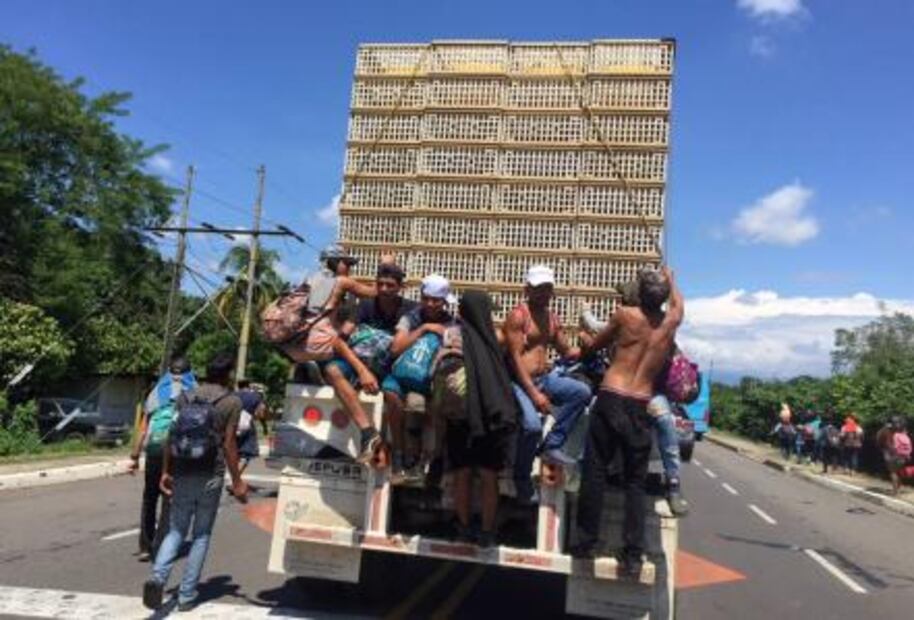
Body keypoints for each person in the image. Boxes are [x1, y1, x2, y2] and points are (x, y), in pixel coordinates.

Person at [571, 266, 683, 577]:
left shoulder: (624, 316)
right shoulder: (670, 323)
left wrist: (583, 338)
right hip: (640, 405)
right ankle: (633, 553)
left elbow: (592, 347)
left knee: (594, 473)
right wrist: (671, 278)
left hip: (611, 396)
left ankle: (586, 543)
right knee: (635, 481)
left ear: (639, 294)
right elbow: (678, 306)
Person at [142, 352, 248, 612]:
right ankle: (187, 595)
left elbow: (171, 435)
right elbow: (229, 444)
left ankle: (158, 577)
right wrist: (237, 481)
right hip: (210, 472)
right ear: (228, 375)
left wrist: (167, 470)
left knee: (176, 529)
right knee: (201, 534)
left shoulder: (185, 396)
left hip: (182, 469)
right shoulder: (231, 402)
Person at [579, 285, 688, 517]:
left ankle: (673, 482)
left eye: (623, 298)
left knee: (662, 420)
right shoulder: (663, 322)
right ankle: (610, 471)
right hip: (632, 393)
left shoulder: (634, 320)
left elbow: (596, 330)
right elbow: (678, 308)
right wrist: (671, 280)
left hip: (644, 391)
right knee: (660, 424)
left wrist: (586, 313)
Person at [292, 245, 394, 463]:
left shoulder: (309, 280)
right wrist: (386, 266)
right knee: (341, 347)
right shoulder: (341, 282)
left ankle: (315, 371)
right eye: (347, 264)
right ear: (335, 262)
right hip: (325, 343)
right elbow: (379, 291)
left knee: (334, 351)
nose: (349, 269)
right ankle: (368, 433)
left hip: (300, 345)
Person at [435, 290, 518, 547]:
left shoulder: (452, 335)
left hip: (459, 416)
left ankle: (462, 527)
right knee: (488, 475)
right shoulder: (494, 338)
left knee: (462, 473)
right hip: (487, 418)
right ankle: (486, 530)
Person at [505, 265, 589, 504]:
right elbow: (515, 360)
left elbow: (565, 350)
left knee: (581, 392)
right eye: (539, 288)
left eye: (547, 289)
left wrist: (590, 346)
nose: (543, 293)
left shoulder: (551, 318)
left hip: (545, 378)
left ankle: (552, 443)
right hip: (521, 382)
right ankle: (521, 478)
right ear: (527, 289)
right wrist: (534, 394)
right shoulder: (518, 316)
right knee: (531, 426)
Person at [385, 274, 456, 480]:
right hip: (400, 377)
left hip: (428, 382)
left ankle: (425, 460)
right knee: (390, 393)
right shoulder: (410, 318)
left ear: (444, 302)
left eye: (436, 300)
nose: (430, 304)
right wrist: (424, 329)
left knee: (418, 404)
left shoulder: (451, 323)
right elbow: (396, 348)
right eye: (426, 298)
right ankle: (398, 454)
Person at [129, 356, 197, 561]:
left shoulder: (156, 393)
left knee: (149, 498)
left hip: (155, 449)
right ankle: (160, 546)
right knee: (170, 499)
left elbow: (143, 429)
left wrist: (134, 455)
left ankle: (145, 546)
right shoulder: (193, 393)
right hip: (178, 452)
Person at [235, 380, 268, 475]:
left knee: (233, 451)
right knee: (247, 454)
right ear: (248, 386)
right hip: (247, 427)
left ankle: (232, 474)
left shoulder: (232, 395)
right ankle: (237, 476)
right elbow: (260, 414)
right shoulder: (255, 397)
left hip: (232, 425)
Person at [877, 416, 910, 495]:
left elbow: (879, 440)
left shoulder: (885, 430)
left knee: (893, 472)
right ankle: (898, 489)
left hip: (890, 453)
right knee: (899, 471)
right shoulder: (902, 430)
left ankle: (895, 492)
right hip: (903, 454)